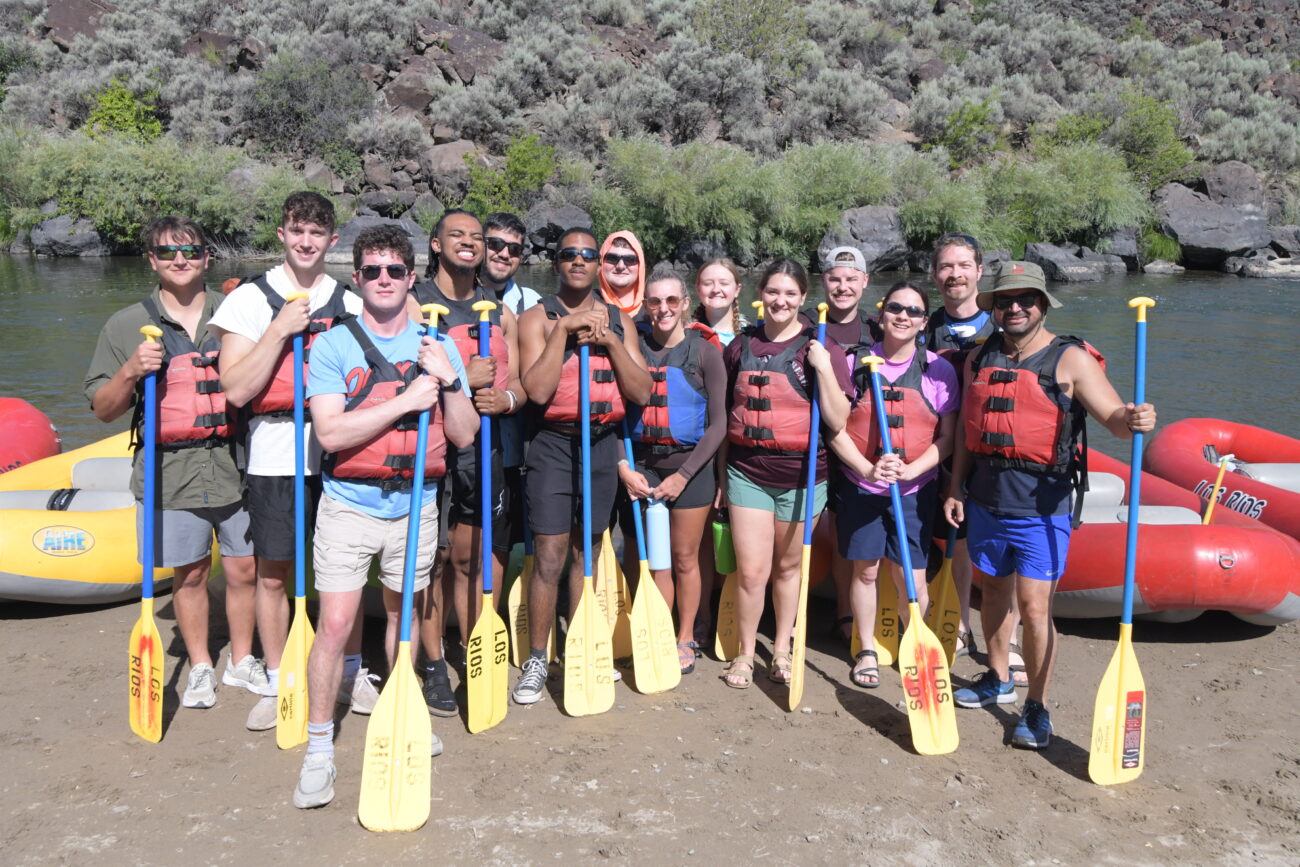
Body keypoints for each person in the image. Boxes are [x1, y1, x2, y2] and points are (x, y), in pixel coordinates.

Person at [292, 225, 476, 809]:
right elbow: (329, 432)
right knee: (338, 625)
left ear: (412, 277)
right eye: (372, 271)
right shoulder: (334, 346)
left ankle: (404, 713)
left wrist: (445, 383)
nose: (384, 281)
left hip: (416, 505)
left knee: (403, 622)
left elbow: (466, 432)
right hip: (348, 503)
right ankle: (320, 746)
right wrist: (405, 400)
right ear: (358, 279)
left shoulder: (437, 346)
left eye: (395, 270)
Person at [943, 261, 1156, 749]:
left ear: (1042, 303)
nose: (1015, 307)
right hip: (985, 497)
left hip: (1042, 503)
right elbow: (969, 438)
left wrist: (1135, 417)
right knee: (993, 592)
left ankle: (1035, 705)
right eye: (1004, 299)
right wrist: (955, 488)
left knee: (1035, 607)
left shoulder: (1070, 358)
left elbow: (1115, 421)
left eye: (1026, 299)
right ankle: (997, 677)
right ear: (992, 306)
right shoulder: (980, 356)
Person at [84, 215, 259, 713]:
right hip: (170, 472)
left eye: (190, 251)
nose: (179, 261)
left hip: (236, 464)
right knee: (190, 574)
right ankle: (202, 663)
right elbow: (102, 409)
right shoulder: (124, 325)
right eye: (167, 253)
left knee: (245, 569)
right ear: (152, 261)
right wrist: (130, 370)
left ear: (207, 257)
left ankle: (242, 658)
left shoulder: (238, 312)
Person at [209, 192, 369, 731]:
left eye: (317, 233)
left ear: (332, 240)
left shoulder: (350, 302)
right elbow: (234, 390)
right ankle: (278, 675)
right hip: (275, 454)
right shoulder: (249, 302)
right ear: (282, 234)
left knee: (344, 574)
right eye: (297, 231)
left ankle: (348, 669)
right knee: (273, 574)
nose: (306, 242)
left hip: (339, 455)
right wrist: (279, 330)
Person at [513, 228, 652, 704]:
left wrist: (611, 342)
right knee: (549, 555)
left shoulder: (620, 320)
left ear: (598, 267)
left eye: (587, 256)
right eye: (569, 255)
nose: (578, 261)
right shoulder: (534, 319)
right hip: (553, 445)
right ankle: (536, 658)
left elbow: (641, 392)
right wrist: (565, 333)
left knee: (586, 553)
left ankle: (578, 645)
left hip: (601, 444)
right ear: (557, 263)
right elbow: (537, 391)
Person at [409, 210, 526, 716]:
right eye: (456, 235)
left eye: (477, 238)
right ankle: (434, 664)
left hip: (485, 449)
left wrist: (507, 400)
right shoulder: (415, 306)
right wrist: (463, 372)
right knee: (432, 560)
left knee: (469, 557)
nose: (470, 243)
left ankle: (475, 651)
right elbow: (403, 374)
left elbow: (516, 381)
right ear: (435, 245)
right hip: (434, 447)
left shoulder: (500, 312)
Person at [717, 259, 853, 689]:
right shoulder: (739, 347)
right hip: (747, 473)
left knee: (789, 567)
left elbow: (838, 419)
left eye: (790, 294)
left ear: (803, 298)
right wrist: (722, 478)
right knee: (752, 570)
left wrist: (825, 368)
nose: (781, 301)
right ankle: (743, 653)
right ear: (761, 294)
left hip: (803, 477)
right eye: (773, 292)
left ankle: (781, 647)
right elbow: (723, 419)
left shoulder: (821, 347)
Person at [826, 281, 958, 688]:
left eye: (914, 311)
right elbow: (835, 430)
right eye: (896, 308)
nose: (903, 316)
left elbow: (949, 438)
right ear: (881, 314)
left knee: (912, 578)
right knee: (864, 572)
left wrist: (913, 470)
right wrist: (867, 470)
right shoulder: (853, 364)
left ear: (923, 322)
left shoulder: (939, 369)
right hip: (861, 488)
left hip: (914, 492)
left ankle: (914, 643)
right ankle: (866, 648)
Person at [619, 265, 727, 674]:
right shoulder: (635, 348)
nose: (662, 309)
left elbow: (719, 425)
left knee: (684, 558)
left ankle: (686, 636)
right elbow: (615, 414)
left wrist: (684, 475)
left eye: (671, 301)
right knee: (655, 559)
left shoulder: (705, 353)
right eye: (654, 301)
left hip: (690, 470)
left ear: (684, 304)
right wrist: (624, 467)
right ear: (645, 305)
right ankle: (659, 631)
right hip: (642, 468)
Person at [924, 233, 997, 666]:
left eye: (963, 266)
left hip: (983, 448)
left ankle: (965, 624)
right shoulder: (921, 323)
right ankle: (937, 610)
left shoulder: (1002, 322)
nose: (955, 274)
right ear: (936, 276)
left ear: (979, 271)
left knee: (967, 541)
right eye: (947, 267)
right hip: (934, 444)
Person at [803, 246, 882, 649]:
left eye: (851, 279)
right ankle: (841, 613)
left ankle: (852, 613)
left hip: (860, 446)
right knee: (831, 523)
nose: (843, 286)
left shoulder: (878, 331)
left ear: (865, 282)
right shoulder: (804, 327)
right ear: (823, 283)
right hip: (816, 447)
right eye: (835, 279)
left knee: (850, 526)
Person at [692, 258, 748, 347]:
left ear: (737, 290)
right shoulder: (685, 332)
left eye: (724, 283)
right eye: (708, 283)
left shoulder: (750, 333)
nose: (716, 289)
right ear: (698, 289)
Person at [597, 230, 646, 319]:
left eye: (630, 259)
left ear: (640, 265)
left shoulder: (655, 308)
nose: (620, 266)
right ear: (601, 262)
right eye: (612, 258)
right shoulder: (585, 304)